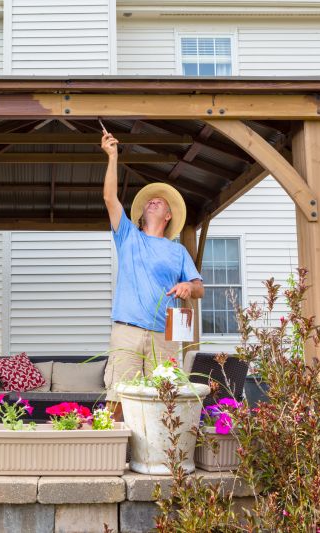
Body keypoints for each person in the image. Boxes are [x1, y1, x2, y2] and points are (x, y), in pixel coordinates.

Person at [100, 131, 204, 416]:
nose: (152, 201)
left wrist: (187, 287)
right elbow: (109, 197)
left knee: (164, 401)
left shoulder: (178, 251)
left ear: (168, 216)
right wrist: (112, 157)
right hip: (127, 331)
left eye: (160, 201)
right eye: (149, 201)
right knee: (118, 400)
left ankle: (156, 459)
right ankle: (112, 458)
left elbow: (199, 288)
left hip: (165, 336)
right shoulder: (129, 237)